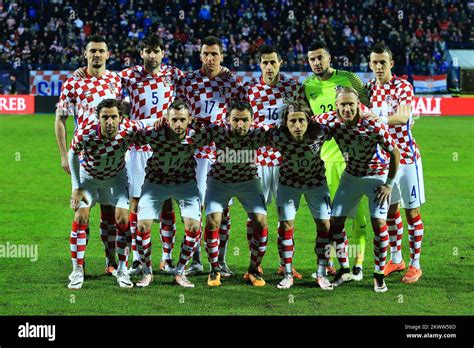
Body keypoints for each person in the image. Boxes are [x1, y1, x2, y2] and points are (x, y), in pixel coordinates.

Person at [73, 35, 184, 276]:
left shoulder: (174, 74)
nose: (152, 55)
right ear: (141, 53)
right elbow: (102, 74)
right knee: (134, 202)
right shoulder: (127, 75)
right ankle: (136, 258)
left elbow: (199, 80)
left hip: (163, 146)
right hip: (135, 147)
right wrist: (83, 71)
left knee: (166, 200)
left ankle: (166, 258)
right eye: (147, 51)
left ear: (163, 53)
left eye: (156, 51)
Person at [315, 87, 400, 293]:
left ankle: (379, 275)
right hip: (351, 176)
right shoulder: (331, 121)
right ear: (336, 106)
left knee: (379, 223)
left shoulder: (372, 124)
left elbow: (395, 152)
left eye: (351, 104)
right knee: (335, 222)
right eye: (343, 104)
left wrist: (388, 184)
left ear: (357, 105)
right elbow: (309, 121)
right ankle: (344, 270)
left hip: (375, 178)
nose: (347, 108)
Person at [67, 99, 157, 289]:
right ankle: (77, 270)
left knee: (123, 221)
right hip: (89, 177)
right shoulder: (86, 131)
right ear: (98, 118)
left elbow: (147, 122)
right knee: (81, 217)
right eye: (105, 117)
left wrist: (163, 119)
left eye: (114, 117)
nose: (109, 122)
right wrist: (76, 186)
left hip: (117, 178)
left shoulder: (128, 128)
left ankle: (122, 269)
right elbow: (73, 154)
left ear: (120, 118)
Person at [176, 36, 246, 277]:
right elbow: (177, 115)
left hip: (222, 154)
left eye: (214, 54)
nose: (210, 58)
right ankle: (195, 260)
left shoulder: (233, 83)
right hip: (194, 154)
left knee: (222, 210)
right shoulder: (187, 82)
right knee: (195, 207)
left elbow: (242, 118)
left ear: (221, 56)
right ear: (200, 55)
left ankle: (221, 261)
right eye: (206, 53)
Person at [55, 35, 122, 276]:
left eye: (100, 51)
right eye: (92, 50)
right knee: (82, 212)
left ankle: (110, 262)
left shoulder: (116, 80)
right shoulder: (74, 82)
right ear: (85, 54)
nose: (96, 54)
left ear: (107, 54)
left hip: (113, 159)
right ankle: (78, 266)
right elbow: (60, 119)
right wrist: (64, 155)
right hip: (84, 158)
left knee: (110, 214)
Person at [303, 40, 371, 281]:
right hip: (324, 162)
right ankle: (331, 264)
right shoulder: (307, 85)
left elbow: (370, 108)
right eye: (312, 59)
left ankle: (359, 266)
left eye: (320, 57)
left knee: (359, 217)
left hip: (353, 160)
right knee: (329, 219)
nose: (316, 62)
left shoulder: (350, 79)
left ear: (329, 58)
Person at [132, 99, 211, 288]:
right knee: (142, 227)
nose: (178, 124)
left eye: (182, 120)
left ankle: (180, 271)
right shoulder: (154, 133)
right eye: (174, 119)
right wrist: (152, 121)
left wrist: (200, 122)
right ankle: (147, 272)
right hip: (155, 184)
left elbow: (219, 126)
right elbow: (131, 133)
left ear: (189, 120)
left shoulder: (196, 135)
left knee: (194, 227)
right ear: (167, 119)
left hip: (185, 185)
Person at [366, 43, 425, 284]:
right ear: (370, 65)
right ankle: (396, 258)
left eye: (383, 62)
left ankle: (416, 265)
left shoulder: (402, 87)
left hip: (407, 158)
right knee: (390, 211)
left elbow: (403, 117)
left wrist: (375, 117)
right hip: (383, 160)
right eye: (374, 63)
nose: (378, 66)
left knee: (412, 212)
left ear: (391, 64)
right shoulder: (368, 89)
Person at [244, 44, 304, 280]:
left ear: (280, 63)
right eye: (265, 62)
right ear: (259, 64)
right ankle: (255, 265)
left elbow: (303, 120)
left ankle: (285, 265)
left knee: (286, 218)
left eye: (273, 62)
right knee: (256, 218)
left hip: (285, 162)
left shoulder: (292, 89)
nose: (269, 67)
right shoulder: (250, 90)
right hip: (258, 162)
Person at [203, 101, 269, 287]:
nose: (240, 125)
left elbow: (284, 133)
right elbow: (191, 135)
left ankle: (254, 269)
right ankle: (214, 269)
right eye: (235, 120)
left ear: (252, 120)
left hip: (249, 182)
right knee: (212, 220)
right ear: (227, 120)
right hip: (219, 182)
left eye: (245, 120)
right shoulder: (217, 131)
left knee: (261, 221)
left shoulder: (259, 133)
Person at [269, 101, 333, 290]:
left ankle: (322, 273)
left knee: (325, 225)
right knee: (286, 225)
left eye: (301, 121)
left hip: (316, 184)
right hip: (289, 185)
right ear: (285, 122)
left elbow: (343, 124)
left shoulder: (321, 132)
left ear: (308, 120)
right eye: (292, 121)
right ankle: (288, 273)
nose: (297, 126)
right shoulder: (276, 135)